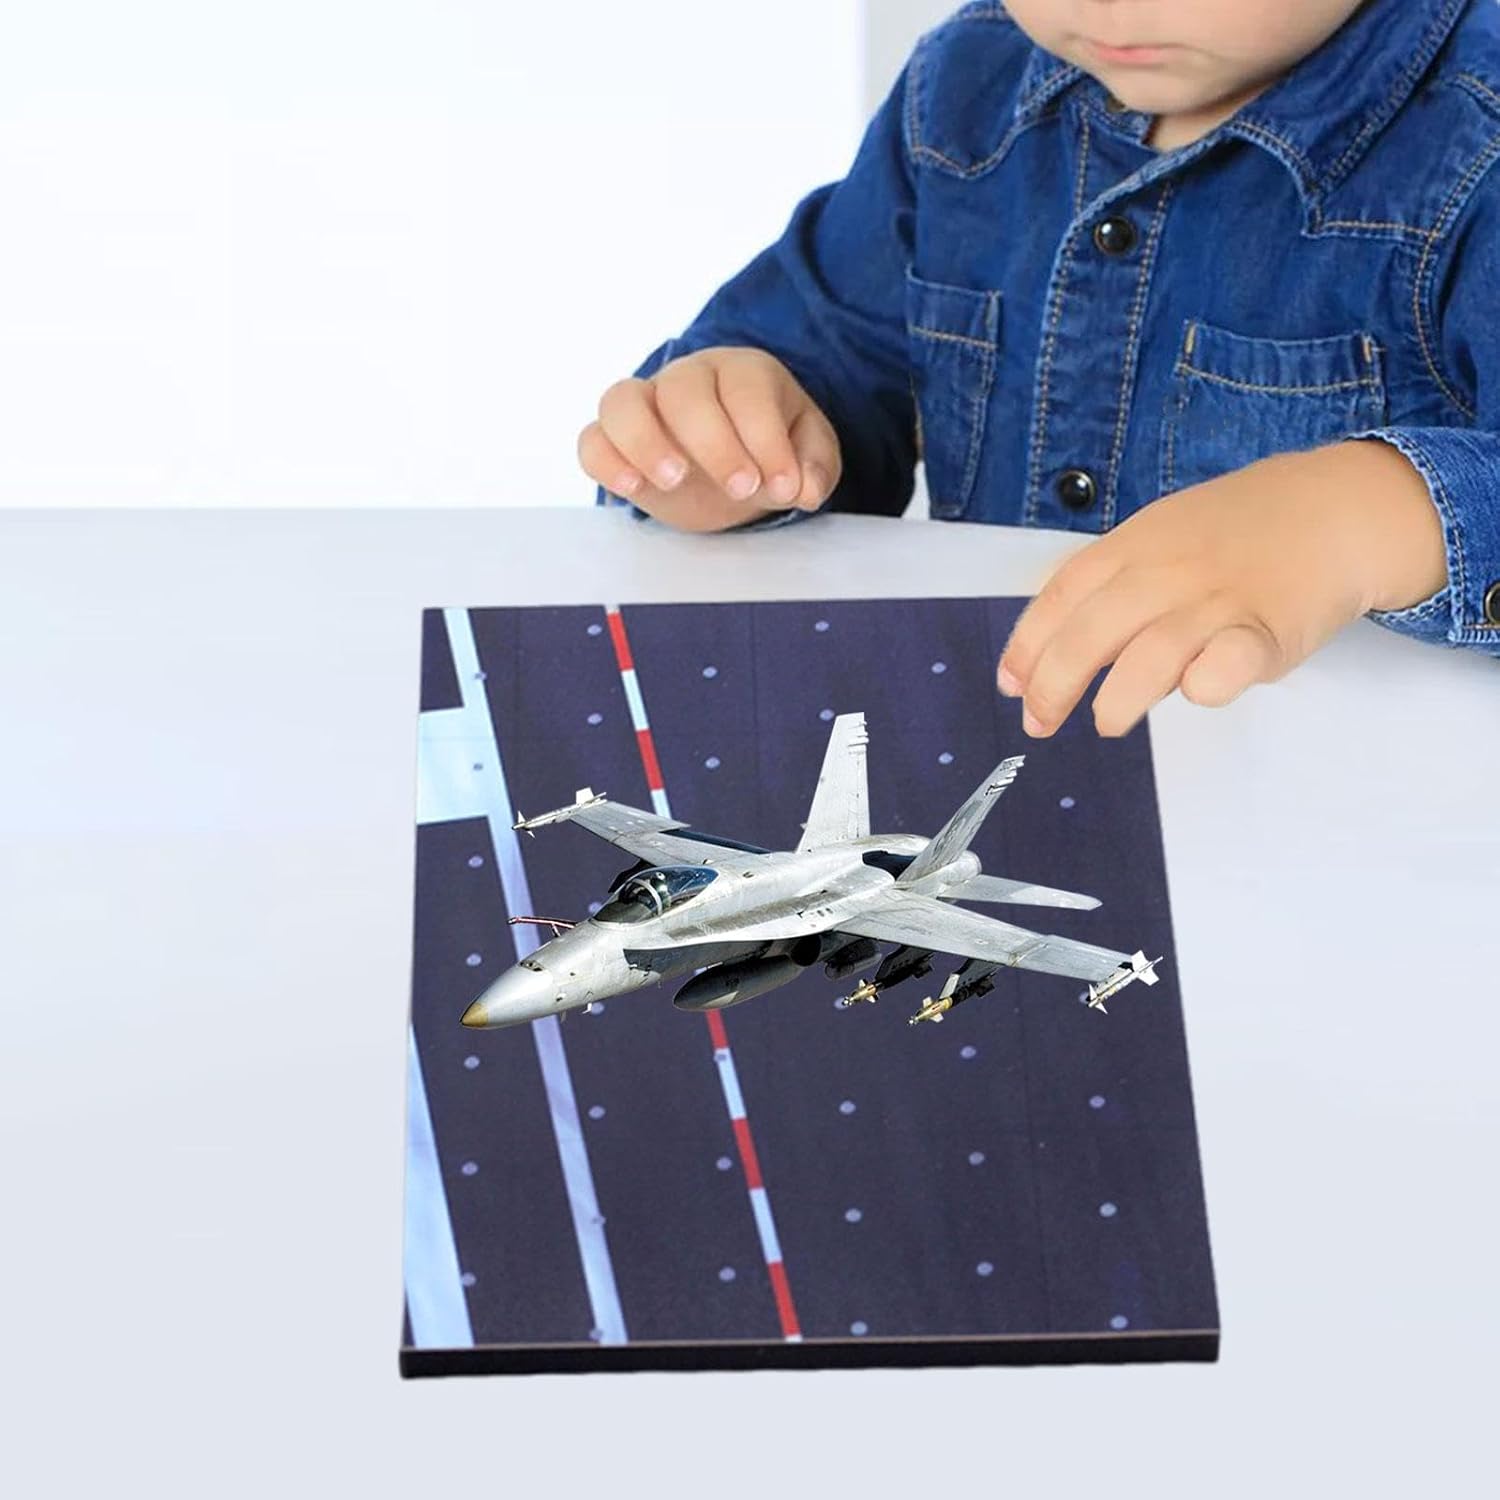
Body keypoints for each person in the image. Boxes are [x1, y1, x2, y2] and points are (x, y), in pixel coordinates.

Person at [578, 0, 1500, 737]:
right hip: (1022, 770)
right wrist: (734, 438)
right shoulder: (965, 86)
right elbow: (827, 359)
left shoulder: (1477, 131)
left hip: (1365, 831)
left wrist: (1369, 517)